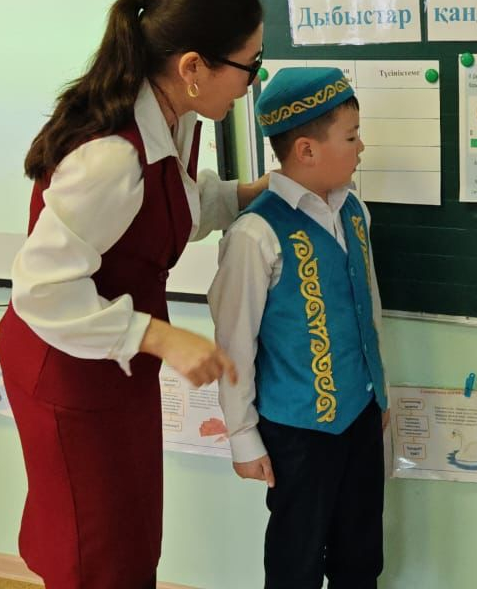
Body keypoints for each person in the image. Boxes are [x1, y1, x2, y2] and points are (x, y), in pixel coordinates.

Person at [0, 0, 267, 589]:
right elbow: (42, 289)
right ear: (193, 67)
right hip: (69, 367)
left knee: (131, 536)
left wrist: (250, 195)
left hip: (116, 364)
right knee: (94, 551)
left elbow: (170, 210)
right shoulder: (113, 157)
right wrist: (162, 336)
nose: (251, 83)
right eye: (249, 66)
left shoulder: (174, 117)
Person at [209, 67, 389, 589]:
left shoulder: (354, 210)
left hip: (360, 415)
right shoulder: (255, 233)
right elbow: (234, 344)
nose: (361, 147)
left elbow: (368, 308)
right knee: (297, 559)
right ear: (307, 150)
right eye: (351, 137)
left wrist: (379, 391)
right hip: (297, 432)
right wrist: (243, 436)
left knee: (361, 554)